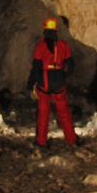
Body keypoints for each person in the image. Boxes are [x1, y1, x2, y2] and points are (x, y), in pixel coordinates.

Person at [28, 16, 78, 147]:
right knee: (64, 111)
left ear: (45, 30)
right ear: (56, 31)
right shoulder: (63, 45)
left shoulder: (41, 46)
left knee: (43, 112)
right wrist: (62, 75)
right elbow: (70, 65)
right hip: (59, 81)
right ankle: (72, 140)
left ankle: (41, 141)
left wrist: (30, 84)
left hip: (44, 82)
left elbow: (36, 68)